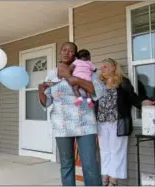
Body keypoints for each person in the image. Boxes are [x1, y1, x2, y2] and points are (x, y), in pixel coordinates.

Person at [38, 42, 105, 186]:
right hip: (61, 123)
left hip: (85, 122)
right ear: (60, 52)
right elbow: (47, 102)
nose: (67, 53)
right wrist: (40, 91)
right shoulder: (52, 74)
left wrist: (78, 80)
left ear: (75, 54)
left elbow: (99, 91)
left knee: (90, 164)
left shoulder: (84, 68)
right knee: (66, 164)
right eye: (64, 50)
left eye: (71, 50)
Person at [95, 58, 155, 186]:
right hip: (101, 122)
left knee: (117, 150)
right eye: (102, 67)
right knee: (104, 150)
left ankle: (113, 180)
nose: (102, 69)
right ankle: (105, 177)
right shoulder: (98, 82)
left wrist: (144, 102)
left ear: (113, 67)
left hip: (118, 121)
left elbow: (132, 97)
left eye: (105, 66)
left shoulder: (122, 82)